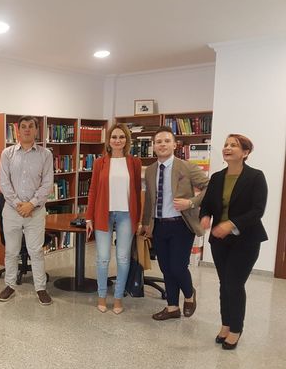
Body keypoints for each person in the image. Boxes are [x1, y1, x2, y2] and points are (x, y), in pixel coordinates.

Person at [200, 134, 267, 350]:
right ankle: (226, 324)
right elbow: (207, 204)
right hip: (220, 240)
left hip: (246, 240)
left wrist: (231, 224)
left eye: (234, 145)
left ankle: (236, 329)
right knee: (224, 284)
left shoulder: (255, 177)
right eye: (226, 145)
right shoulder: (217, 177)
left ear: (245, 153)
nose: (227, 148)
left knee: (234, 284)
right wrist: (205, 216)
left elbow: (257, 210)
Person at [142, 126, 208, 321]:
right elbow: (150, 199)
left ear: (174, 145)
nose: (162, 144)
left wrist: (191, 202)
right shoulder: (150, 170)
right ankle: (172, 307)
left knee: (178, 267)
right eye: (158, 142)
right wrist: (145, 223)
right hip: (159, 225)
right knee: (165, 268)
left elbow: (210, 186)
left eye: (166, 141)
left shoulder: (187, 167)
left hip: (181, 225)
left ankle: (189, 294)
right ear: (154, 146)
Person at [85, 123, 142, 314]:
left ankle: (118, 298)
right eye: (114, 137)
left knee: (123, 258)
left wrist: (138, 219)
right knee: (102, 258)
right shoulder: (99, 163)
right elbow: (93, 190)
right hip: (103, 214)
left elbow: (136, 192)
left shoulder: (134, 163)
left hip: (127, 215)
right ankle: (101, 296)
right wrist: (88, 217)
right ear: (108, 141)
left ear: (127, 140)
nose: (118, 140)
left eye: (121, 137)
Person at [0, 115, 54, 305]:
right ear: (18, 130)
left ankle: (40, 288)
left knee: (36, 252)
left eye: (31, 126)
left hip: (35, 212)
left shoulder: (46, 154)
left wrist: (31, 204)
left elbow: (47, 183)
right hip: (12, 211)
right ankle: (10, 285)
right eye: (23, 126)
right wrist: (18, 205)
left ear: (36, 130)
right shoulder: (7, 154)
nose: (27, 129)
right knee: (11, 252)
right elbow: (3, 182)